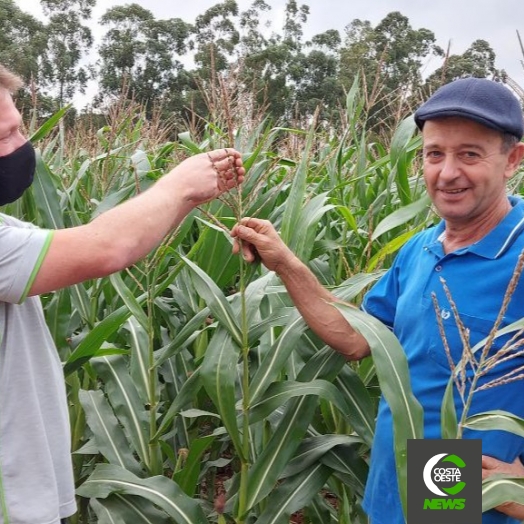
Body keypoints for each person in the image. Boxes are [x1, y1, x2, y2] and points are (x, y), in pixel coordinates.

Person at [231, 77, 524, 523]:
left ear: (512, 160)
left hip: (479, 508)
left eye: (469, 154)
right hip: (399, 490)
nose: (447, 173)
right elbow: (356, 338)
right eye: (434, 154)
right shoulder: (421, 249)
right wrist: (286, 262)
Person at [0, 64, 245, 524]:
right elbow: (105, 248)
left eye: (18, 130)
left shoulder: (6, 229)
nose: (18, 148)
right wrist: (177, 183)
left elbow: (98, 247)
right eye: (0, 139)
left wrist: (188, 198)